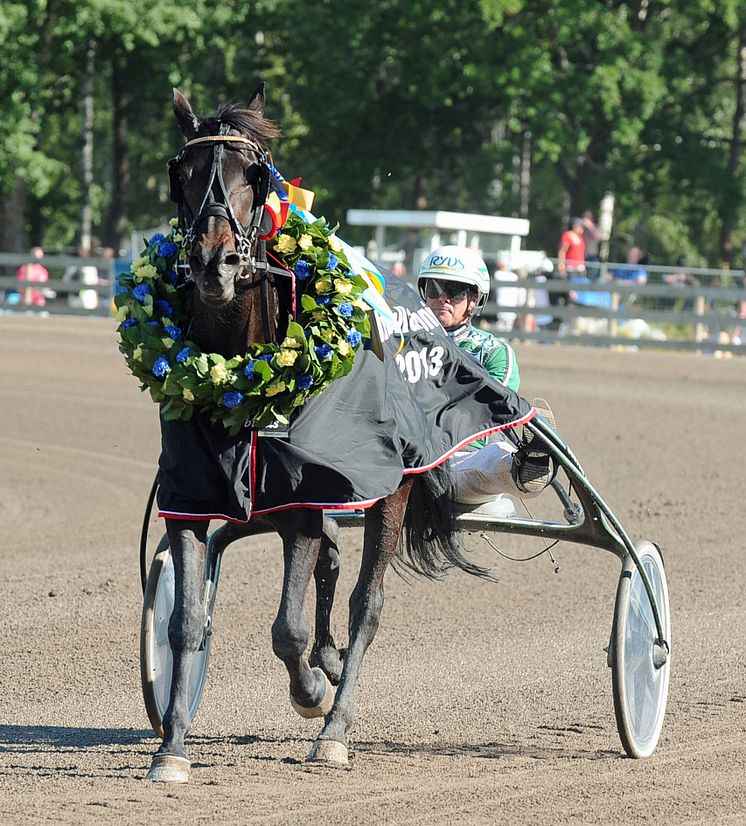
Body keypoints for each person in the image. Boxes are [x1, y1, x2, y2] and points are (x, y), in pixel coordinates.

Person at [417, 245, 557, 517]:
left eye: (454, 290)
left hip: (458, 461)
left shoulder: (494, 352)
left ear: (473, 299)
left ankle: (525, 467)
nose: (442, 298)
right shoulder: (399, 342)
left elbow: (488, 419)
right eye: (434, 288)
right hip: (399, 458)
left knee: (495, 454)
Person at [492, 258, 526, 333]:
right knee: (507, 329)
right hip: (511, 307)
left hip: (501, 306)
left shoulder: (498, 274)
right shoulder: (513, 276)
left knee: (501, 329)